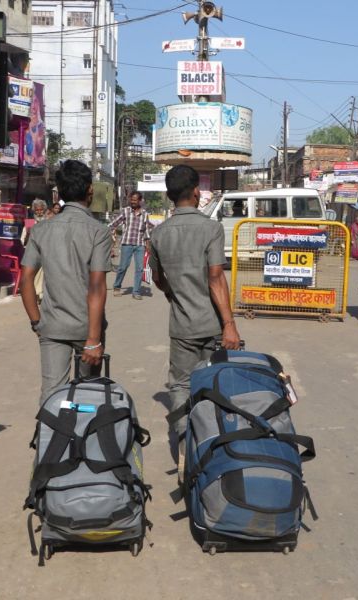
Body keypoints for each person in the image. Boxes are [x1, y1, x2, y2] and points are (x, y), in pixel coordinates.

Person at [149, 165, 241, 475]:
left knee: (180, 385)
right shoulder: (211, 228)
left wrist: (173, 293)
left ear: (169, 196)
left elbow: (158, 279)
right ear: (196, 193)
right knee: (214, 383)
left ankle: (184, 441)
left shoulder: (159, 233)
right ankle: (212, 445)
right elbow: (215, 277)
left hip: (182, 326)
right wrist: (229, 324)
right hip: (213, 324)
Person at [20, 160, 111, 404]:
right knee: (88, 396)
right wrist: (93, 339)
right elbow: (97, 287)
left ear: (58, 193)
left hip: (52, 326)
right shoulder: (98, 231)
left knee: (52, 394)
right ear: (90, 189)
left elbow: (25, 279)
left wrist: (36, 321)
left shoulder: (41, 230)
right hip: (87, 328)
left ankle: (49, 430)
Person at [109, 191, 154, 300]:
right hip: (127, 243)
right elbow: (113, 224)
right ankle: (117, 287)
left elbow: (146, 230)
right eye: (131, 199)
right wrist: (110, 236)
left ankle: (136, 291)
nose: (132, 202)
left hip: (140, 244)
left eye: (135, 200)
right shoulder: (125, 211)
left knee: (140, 268)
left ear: (140, 201)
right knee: (123, 267)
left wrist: (148, 243)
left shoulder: (145, 214)